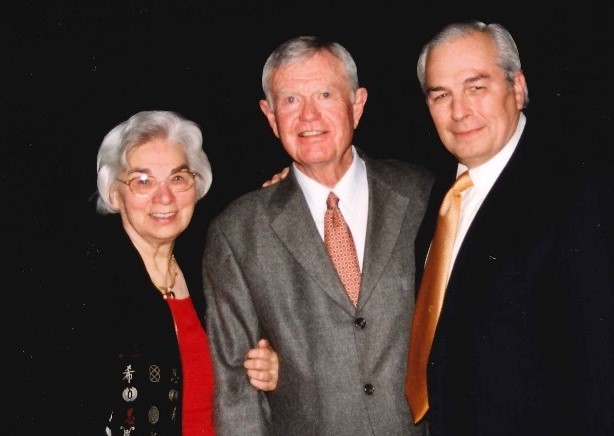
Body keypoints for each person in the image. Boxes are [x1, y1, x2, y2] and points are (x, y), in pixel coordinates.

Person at [202, 36, 433, 435]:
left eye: (325, 94)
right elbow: (236, 393)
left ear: (357, 105)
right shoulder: (237, 233)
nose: (308, 117)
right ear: (270, 117)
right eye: (290, 100)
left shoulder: (425, 194)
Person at [404, 20, 614, 436]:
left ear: (517, 88)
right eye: (440, 94)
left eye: (476, 87)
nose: (459, 111)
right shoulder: (439, 200)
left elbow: (600, 376)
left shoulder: (575, 197)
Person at [59, 110, 279, 435]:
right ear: (115, 193)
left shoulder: (211, 277)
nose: (164, 197)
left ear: (196, 184)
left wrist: (270, 371)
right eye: (143, 181)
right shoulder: (88, 291)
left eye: (177, 178)